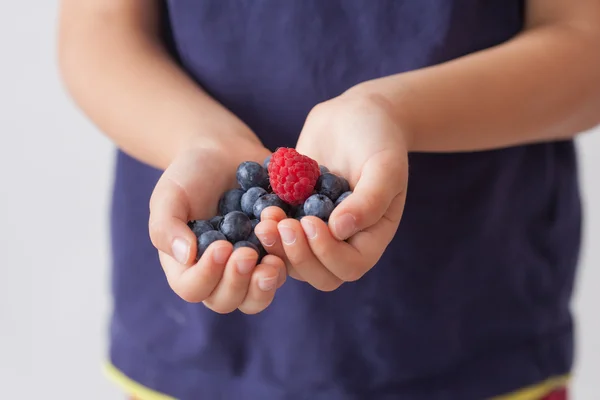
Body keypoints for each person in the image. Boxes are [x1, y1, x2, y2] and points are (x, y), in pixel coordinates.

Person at [57, 0, 600, 399]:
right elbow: (98, 31)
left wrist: (395, 110)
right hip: (196, 347)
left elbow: (587, 46)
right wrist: (197, 138)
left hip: (472, 323)